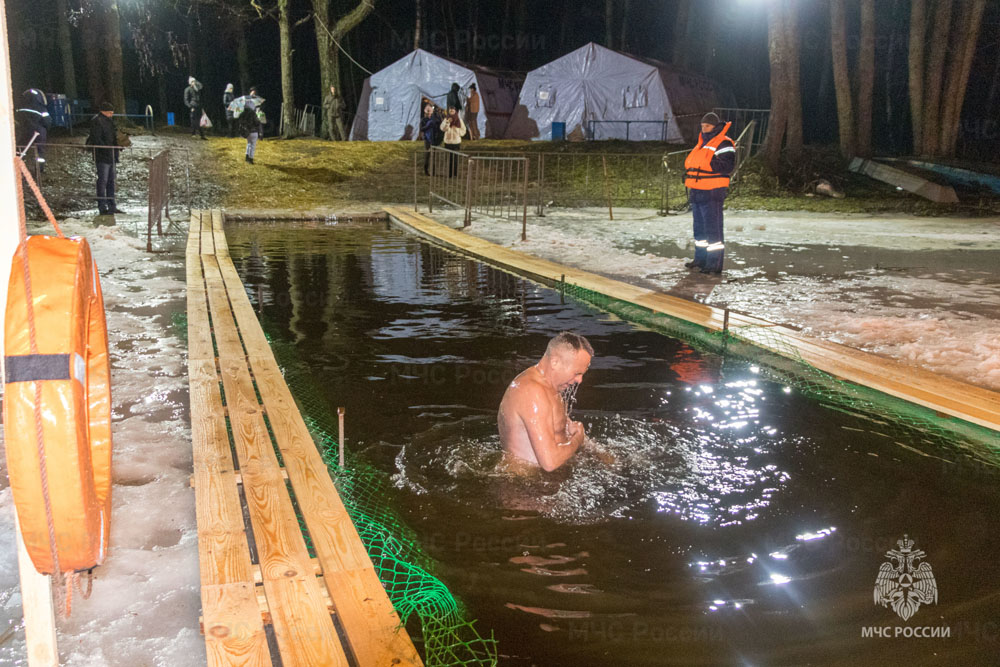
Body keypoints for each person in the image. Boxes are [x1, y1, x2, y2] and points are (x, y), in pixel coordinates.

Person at [498, 332, 593, 472]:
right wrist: (578, 440)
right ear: (555, 362)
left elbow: (563, 431)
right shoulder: (532, 392)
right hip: (525, 486)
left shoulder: (551, 388)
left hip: (542, 481)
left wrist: (600, 453)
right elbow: (550, 462)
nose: (580, 380)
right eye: (577, 373)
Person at [682, 112, 735, 274]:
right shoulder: (701, 144)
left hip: (712, 192)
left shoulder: (724, 143)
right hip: (697, 191)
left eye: (707, 126)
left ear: (715, 126)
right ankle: (701, 259)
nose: (704, 129)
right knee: (699, 229)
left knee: (713, 230)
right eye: (702, 126)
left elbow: (727, 166)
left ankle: (714, 264)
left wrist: (705, 164)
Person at [85, 102, 124, 215]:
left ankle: (111, 206)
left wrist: (117, 147)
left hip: (110, 155)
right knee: (103, 181)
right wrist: (109, 149)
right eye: (110, 112)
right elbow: (97, 139)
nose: (111, 114)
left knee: (110, 181)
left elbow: (112, 136)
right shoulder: (97, 121)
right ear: (104, 111)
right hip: (103, 156)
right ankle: (103, 207)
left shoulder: (108, 121)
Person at [15, 89, 50, 171]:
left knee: (21, 149)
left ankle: (18, 167)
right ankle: (39, 169)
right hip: (39, 132)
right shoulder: (41, 108)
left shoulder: (20, 109)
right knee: (40, 151)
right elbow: (48, 121)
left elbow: (17, 120)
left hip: (24, 131)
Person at [439, 107, 466, 177]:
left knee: (455, 159)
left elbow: (463, 131)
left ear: (455, 111)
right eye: (450, 110)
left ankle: (455, 173)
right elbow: (442, 129)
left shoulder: (459, 120)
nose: (451, 111)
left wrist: (457, 130)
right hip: (448, 142)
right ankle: (449, 173)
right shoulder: (446, 119)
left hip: (456, 142)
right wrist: (447, 123)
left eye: (453, 110)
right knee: (448, 158)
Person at [239, 96, 264, 165]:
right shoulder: (253, 114)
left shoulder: (242, 114)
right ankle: (250, 159)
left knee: (249, 143)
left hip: (246, 132)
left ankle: (247, 156)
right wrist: (258, 118)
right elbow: (256, 123)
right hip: (253, 131)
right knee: (252, 146)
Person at [419, 103, 438, 175]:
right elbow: (422, 128)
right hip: (427, 139)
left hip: (434, 139)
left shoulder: (434, 119)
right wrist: (428, 125)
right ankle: (426, 170)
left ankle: (433, 171)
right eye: (427, 110)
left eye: (430, 110)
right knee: (427, 155)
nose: (429, 112)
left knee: (434, 155)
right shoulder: (424, 120)